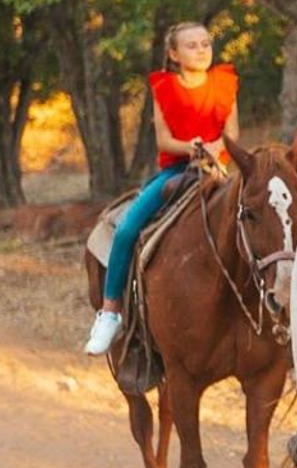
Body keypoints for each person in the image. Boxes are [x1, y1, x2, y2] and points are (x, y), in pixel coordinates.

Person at [83, 22, 241, 355]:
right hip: (177, 170)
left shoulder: (225, 83)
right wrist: (194, 147)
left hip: (218, 167)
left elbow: (233, 135)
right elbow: (165, 139)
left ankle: (266, 311)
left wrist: (215, 150)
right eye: (191, 45)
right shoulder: (164, 87)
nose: (201, 50)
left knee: (255, 222)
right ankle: (110, 311)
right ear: (173, 54)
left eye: (205, 43)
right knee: (127, 229)